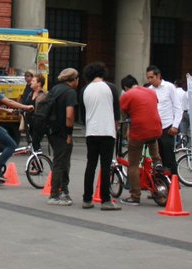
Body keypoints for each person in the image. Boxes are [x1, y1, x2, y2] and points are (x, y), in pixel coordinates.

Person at [80, 62, 121, 211]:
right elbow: (116, 112)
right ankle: (105, 200)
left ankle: (86, 198)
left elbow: (83, 114)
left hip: (91, 131)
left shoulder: (84, 89)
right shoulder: (111, 87)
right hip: (107, 131)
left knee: (90, 165)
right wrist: (116, 127)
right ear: (103, 72)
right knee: (105, 166)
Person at [119, 75, 162, 205]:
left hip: (139, 132)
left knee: (133, 164)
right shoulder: (151, 91)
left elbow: (125, 115)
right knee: (154, 150)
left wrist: (124, 132)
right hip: (156, 129)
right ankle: (157, 163)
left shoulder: (127, 95)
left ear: (125, 87)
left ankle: (135, 195)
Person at [46, 68, 79, 205]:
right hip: (62, 132)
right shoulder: (70, 92)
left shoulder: (55, 89)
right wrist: (69, 133)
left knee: (62, 161)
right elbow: (69, 115)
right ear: (74, 79)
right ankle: (55, 194)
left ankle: (63, 190)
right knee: (61, 162)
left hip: (52, 130)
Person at [146, 66, 180, 176]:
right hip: (154, 128)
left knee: (168, 156)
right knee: (157, 158)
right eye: (148, 78)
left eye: (152, 77)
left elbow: (177, 107)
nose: (150, 80)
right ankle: (159, 185)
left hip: (167, 127)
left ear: (158, 76)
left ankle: (174, 182)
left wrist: (175, 125)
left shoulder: (169, 87)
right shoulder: (149, 90)